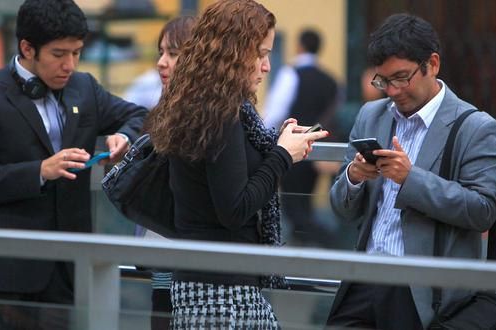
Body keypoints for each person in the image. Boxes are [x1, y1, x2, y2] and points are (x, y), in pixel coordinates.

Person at [0, 0, 147, 328]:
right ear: (28, 48)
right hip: (4, 278)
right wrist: (39, 171)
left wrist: (123, 136)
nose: (69, 64)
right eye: (59, 54)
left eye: (77, 52)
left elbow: (137, 115)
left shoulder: (84, 88)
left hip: (70, 273)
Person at [145, 0, 328, 328]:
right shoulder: (222, 114)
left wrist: (278, 145)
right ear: (233, 52)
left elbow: (225, 179)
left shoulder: (198, 103)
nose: (266, 66)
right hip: (222, 293)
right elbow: (234, 208)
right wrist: (283, 156)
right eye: (261, 53)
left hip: (207, 284)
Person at [326, 13, 496, 329]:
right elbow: (341, 208)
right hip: (362, 279)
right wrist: (353, 177)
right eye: (383, 81)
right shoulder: (372, 115)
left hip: (419, 290)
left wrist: (411, 179)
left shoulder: (476, 127)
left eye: (401, 77)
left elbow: (483, 211)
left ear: (432, 64)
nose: (392, 91)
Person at [127, 15, 197, 330]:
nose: (161, 62)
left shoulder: (205, 116)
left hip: (191, 273)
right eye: (160, 52)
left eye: (172, 53)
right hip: (164, 267)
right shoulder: (166, 110)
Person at [264, 29, 339, 247]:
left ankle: (326, 242)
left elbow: (275, 112)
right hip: (316, 150)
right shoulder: (331, 81)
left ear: (299, 46)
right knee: (304, 204)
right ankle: (306, 253)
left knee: (292, 208)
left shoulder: (291, 73)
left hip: (292, 148)